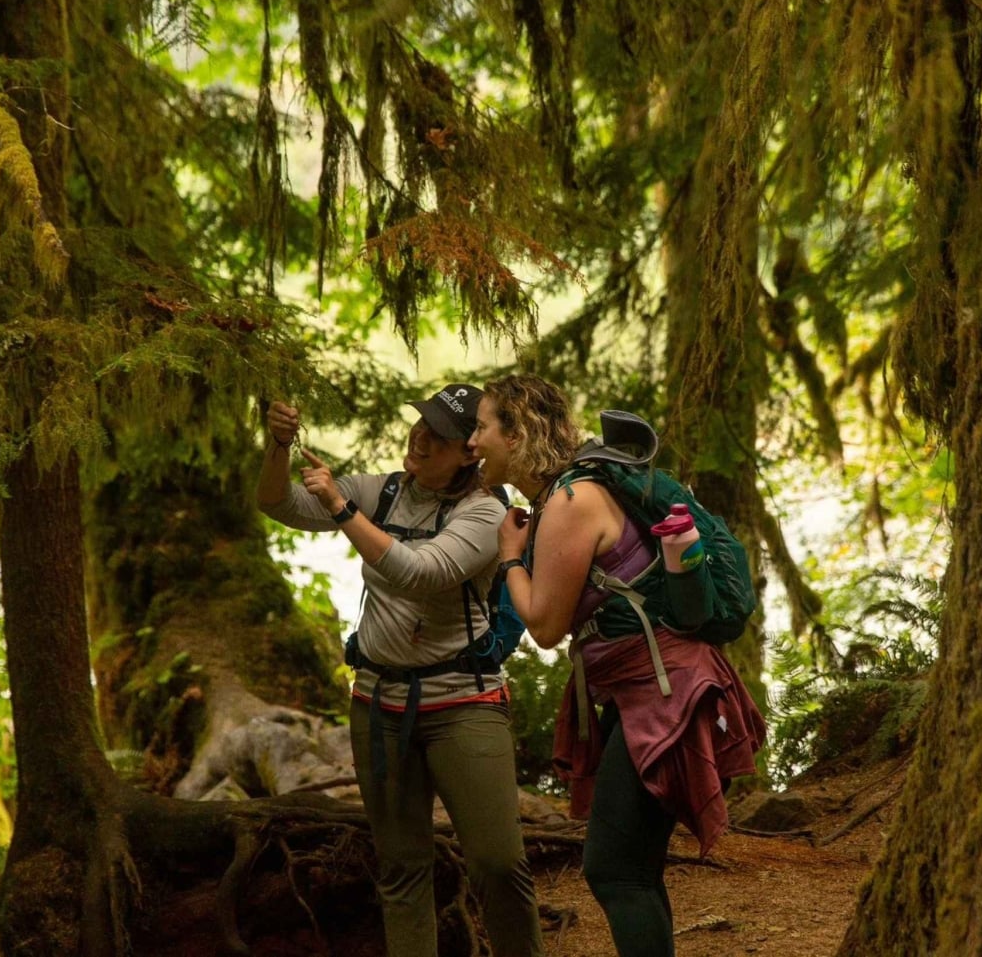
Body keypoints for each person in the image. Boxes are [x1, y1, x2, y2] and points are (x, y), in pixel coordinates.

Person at [468, 374, 765, 957]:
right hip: (656, 689)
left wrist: (508, 559)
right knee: (634, 869)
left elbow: (547, 627)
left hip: (666, 693)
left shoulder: (571, 500)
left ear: (518, 430)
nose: (473, 441)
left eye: (482, 427)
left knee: (614, 870)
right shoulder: (573, 491)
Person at [256, 384, 544, 957]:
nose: (420, 437)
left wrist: (342, 508)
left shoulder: (486, 512)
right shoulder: (382, 491)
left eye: (437, 433)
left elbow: (422, 570)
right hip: (377, 705)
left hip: (464, 705)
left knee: (496, 861)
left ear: (469, 452)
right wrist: (279, 446)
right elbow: (278, 503)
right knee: (402, 866)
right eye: (419, 424)